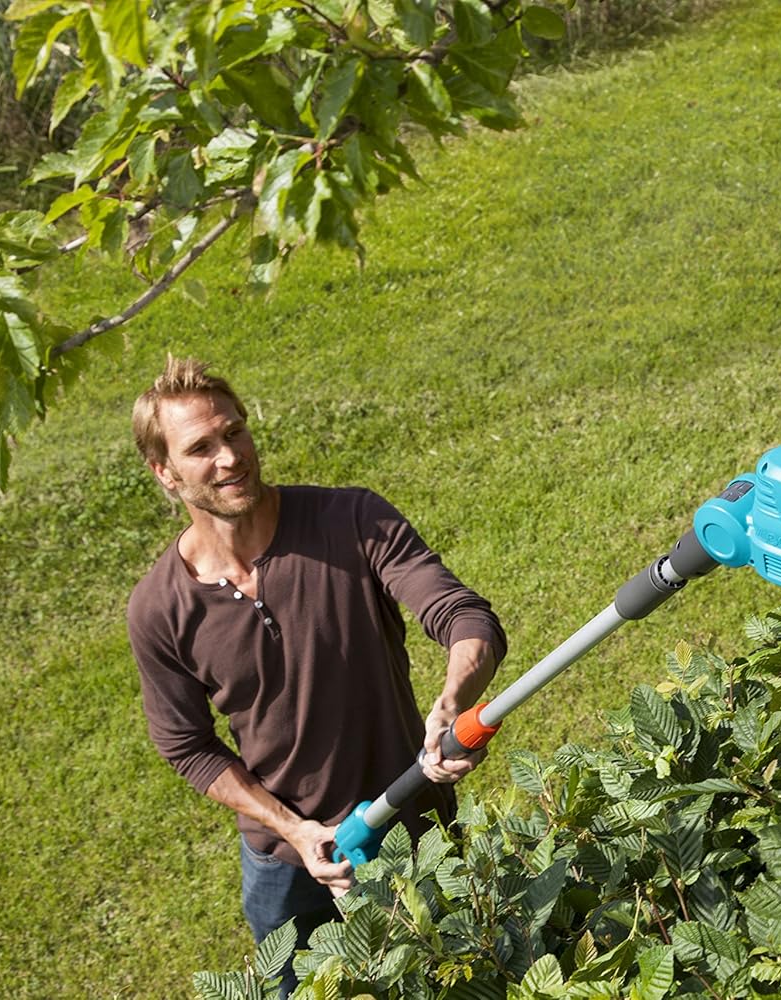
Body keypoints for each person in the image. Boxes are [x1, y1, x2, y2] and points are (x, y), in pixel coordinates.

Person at [125, 356, 505, 993]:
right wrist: (291, 829)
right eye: (201, 448)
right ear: (164, 471)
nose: (230, 457)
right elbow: (185, 744)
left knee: (462, 981)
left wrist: (454, 698)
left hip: (412, 823)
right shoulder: (160, 608)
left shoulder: (351, 520)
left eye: (235, 432)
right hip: (286, 865)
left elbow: (464, 616)